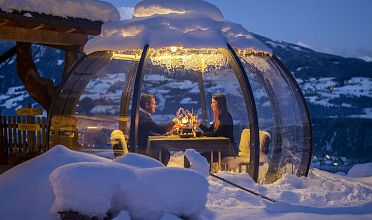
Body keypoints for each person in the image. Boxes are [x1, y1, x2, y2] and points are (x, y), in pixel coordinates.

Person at [137, 94, 176, 164]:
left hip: (144, 145)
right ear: (147, 105)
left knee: (165, 151)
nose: (155, 106)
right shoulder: (143, 117)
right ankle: (160, 172)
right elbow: (160, 130)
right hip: (144, 149)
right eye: (154, 104)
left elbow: (149, 131)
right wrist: (173, 123)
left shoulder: (142, 115)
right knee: (165, 152)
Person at [197, 93, 237, 162]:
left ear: (220, 104)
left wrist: (202, 134)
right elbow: (209, 130)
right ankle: (204, 172)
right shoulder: (218, 117)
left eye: (213, 102)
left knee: (202, 156)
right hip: (221, 148)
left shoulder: (226, 117)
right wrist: (198, 124)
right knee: (201, 155)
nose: (211, 104)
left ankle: (204, 172)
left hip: (228, 150)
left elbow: (218, 133)